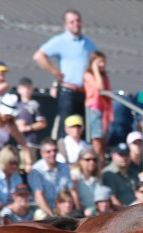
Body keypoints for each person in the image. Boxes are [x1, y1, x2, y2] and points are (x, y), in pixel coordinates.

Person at [33, 9, 96, 138]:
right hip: (68, 91)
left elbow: (96, 62)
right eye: (72, 22)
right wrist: (55, 72)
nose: (76, 24)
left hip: (84, 92)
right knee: (67, 125)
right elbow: (39, 56)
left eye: (78, 21)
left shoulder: (87, 43)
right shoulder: (61, 40)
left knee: (82, 128)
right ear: (66, 25)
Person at [28, 138, 75, 217]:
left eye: (55, 150)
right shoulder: (36, 170)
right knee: (40, 214)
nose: (52, 154)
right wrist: (52, 215)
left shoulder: (65, 167)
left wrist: (77, 210)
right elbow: (39, 196)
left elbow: (71, 191)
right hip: (45, 210)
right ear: (42, 153)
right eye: (48, 152)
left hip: (63, 208)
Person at [83, 50, 112, 161]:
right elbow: (99, 87)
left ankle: (101, 160)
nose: (102, 65)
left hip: (104, 109)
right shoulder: (88, 75)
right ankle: (97, 160)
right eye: (99, 62)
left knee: (103, 139)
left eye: (103, 62)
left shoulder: (105, 76)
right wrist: (95, 70)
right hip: (94, 108)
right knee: (97, 138)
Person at [14, 77, 46, 153]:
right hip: (17, 144)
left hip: (31, 144)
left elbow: (43, 123)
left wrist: (28, 128)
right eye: (24, 88)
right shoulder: (15, 105)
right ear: (19, 89)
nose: (26, 90)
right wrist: (16, 123)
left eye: (28, 88)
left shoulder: (34, 104)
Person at [101, 143, 138, 207]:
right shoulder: (108, 174)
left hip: (135, 209)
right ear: (113, 156)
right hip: (120, 213)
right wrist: (126, 213)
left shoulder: (133, 173)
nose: (124, 158)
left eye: (126, 155)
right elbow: (112, 199)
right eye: (121, 155)